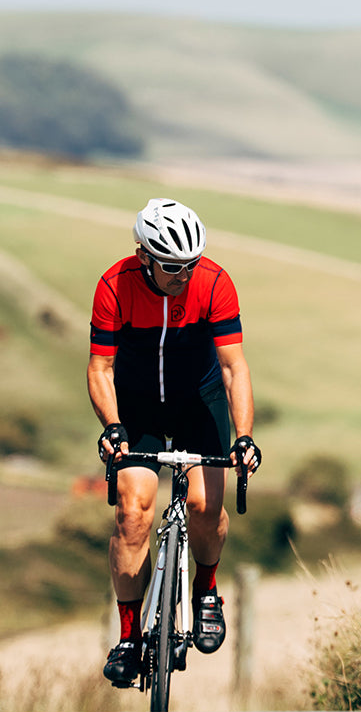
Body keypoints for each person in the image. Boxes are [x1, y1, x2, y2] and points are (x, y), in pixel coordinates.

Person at [87, 197, 261, 686]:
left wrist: (244, 436)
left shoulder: (215, 282)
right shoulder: (113, 286)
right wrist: (112, 425)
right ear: (143, 256)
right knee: (133, 511)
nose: (183, 275)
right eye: (171, 267)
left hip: (197, 403)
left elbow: (233, 367)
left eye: (190, 264)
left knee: (206, 506)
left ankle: (206, 590)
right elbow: (101, 367)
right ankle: (128, 637)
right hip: (138, 407)